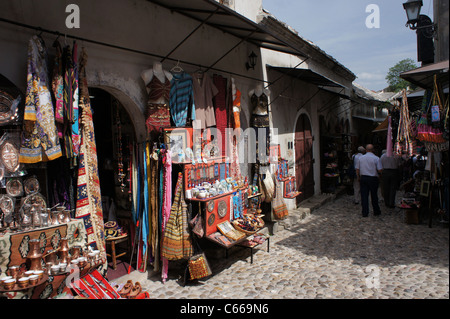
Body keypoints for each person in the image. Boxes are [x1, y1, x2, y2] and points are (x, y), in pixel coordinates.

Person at [356, 144, 383, 217]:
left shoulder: (361, 158)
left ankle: (365, 212)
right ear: (373, 150)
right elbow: (380, 169)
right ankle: (376, 210)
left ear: (366, 150)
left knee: (364, 195)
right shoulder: (376, 158)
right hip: (373, 178)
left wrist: (358, 177)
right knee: (374, 195)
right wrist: (380, 176)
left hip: (364, 177)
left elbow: (357, 169)